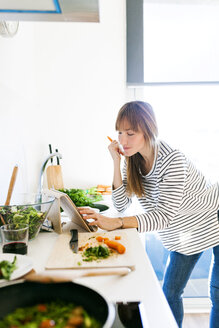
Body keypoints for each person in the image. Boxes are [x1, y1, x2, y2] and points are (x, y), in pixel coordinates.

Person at [78, 100, 219, 328]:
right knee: (171, 292)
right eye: (120, 132)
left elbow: (163, 216)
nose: (122, 141)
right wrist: (116, 162)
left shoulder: (173, 160)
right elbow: (121, 204)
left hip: (212, 214)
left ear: (148, 129)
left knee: (217, 293)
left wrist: (117, 223)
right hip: (182, 230)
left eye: (130, 133)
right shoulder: (132, 158)